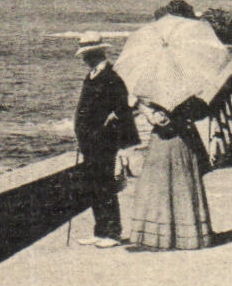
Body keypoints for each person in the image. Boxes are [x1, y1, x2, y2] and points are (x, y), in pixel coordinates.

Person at [123, 98, 213, 250]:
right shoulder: (160, 91)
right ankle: (172, 236)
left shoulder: (180, 92)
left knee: (176, 185)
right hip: (167, 139)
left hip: (179, 139)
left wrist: (182, 114)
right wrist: (153, 115)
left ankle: (175, 237)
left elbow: (203, 111)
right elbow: (141, 104)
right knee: (165, 185)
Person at [73, 32, 134, 248]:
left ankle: (113, 232)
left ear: (97, 53)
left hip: (104, 142)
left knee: (105, 186)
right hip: (90, 141)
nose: (84, 59)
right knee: (94, 186)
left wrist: (112, 122)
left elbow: (123, 109)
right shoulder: (91, 76)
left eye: (87, 54)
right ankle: (100, 231)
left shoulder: (111, 77)